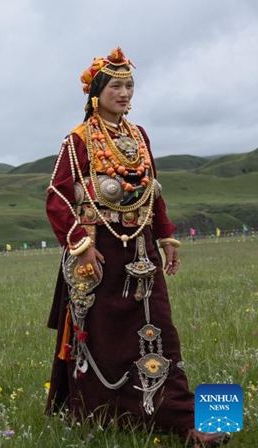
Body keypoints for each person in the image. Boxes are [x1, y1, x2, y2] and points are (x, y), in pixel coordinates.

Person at [45, 48, 228, 447]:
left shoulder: (139, 136)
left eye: (130, 85)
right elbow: (57, 197)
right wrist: (80, 244)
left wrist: (166, 237)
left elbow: (153, 194)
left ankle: (189, 418)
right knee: (105, 337)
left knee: (160, 329)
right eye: (116, 86)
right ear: (96, 93)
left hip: (141, 249)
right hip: (98, 251)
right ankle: (106, 414)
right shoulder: (76, 141)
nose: (125, 93)